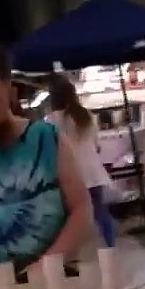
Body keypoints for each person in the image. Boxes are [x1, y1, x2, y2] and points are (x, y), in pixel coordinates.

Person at [0, 45, 92, 268]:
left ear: (10, 93)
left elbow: (82, 210)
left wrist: (48, 265)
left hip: (50, 278)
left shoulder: (46, 138)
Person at [46, 76, 118, 249]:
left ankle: (69, 251)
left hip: (72, 174)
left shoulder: (51, 121)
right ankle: (110, 246)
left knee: (68, 216)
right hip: (93, 171)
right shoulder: (86, 115)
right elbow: (96, 145)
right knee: (100, 211)